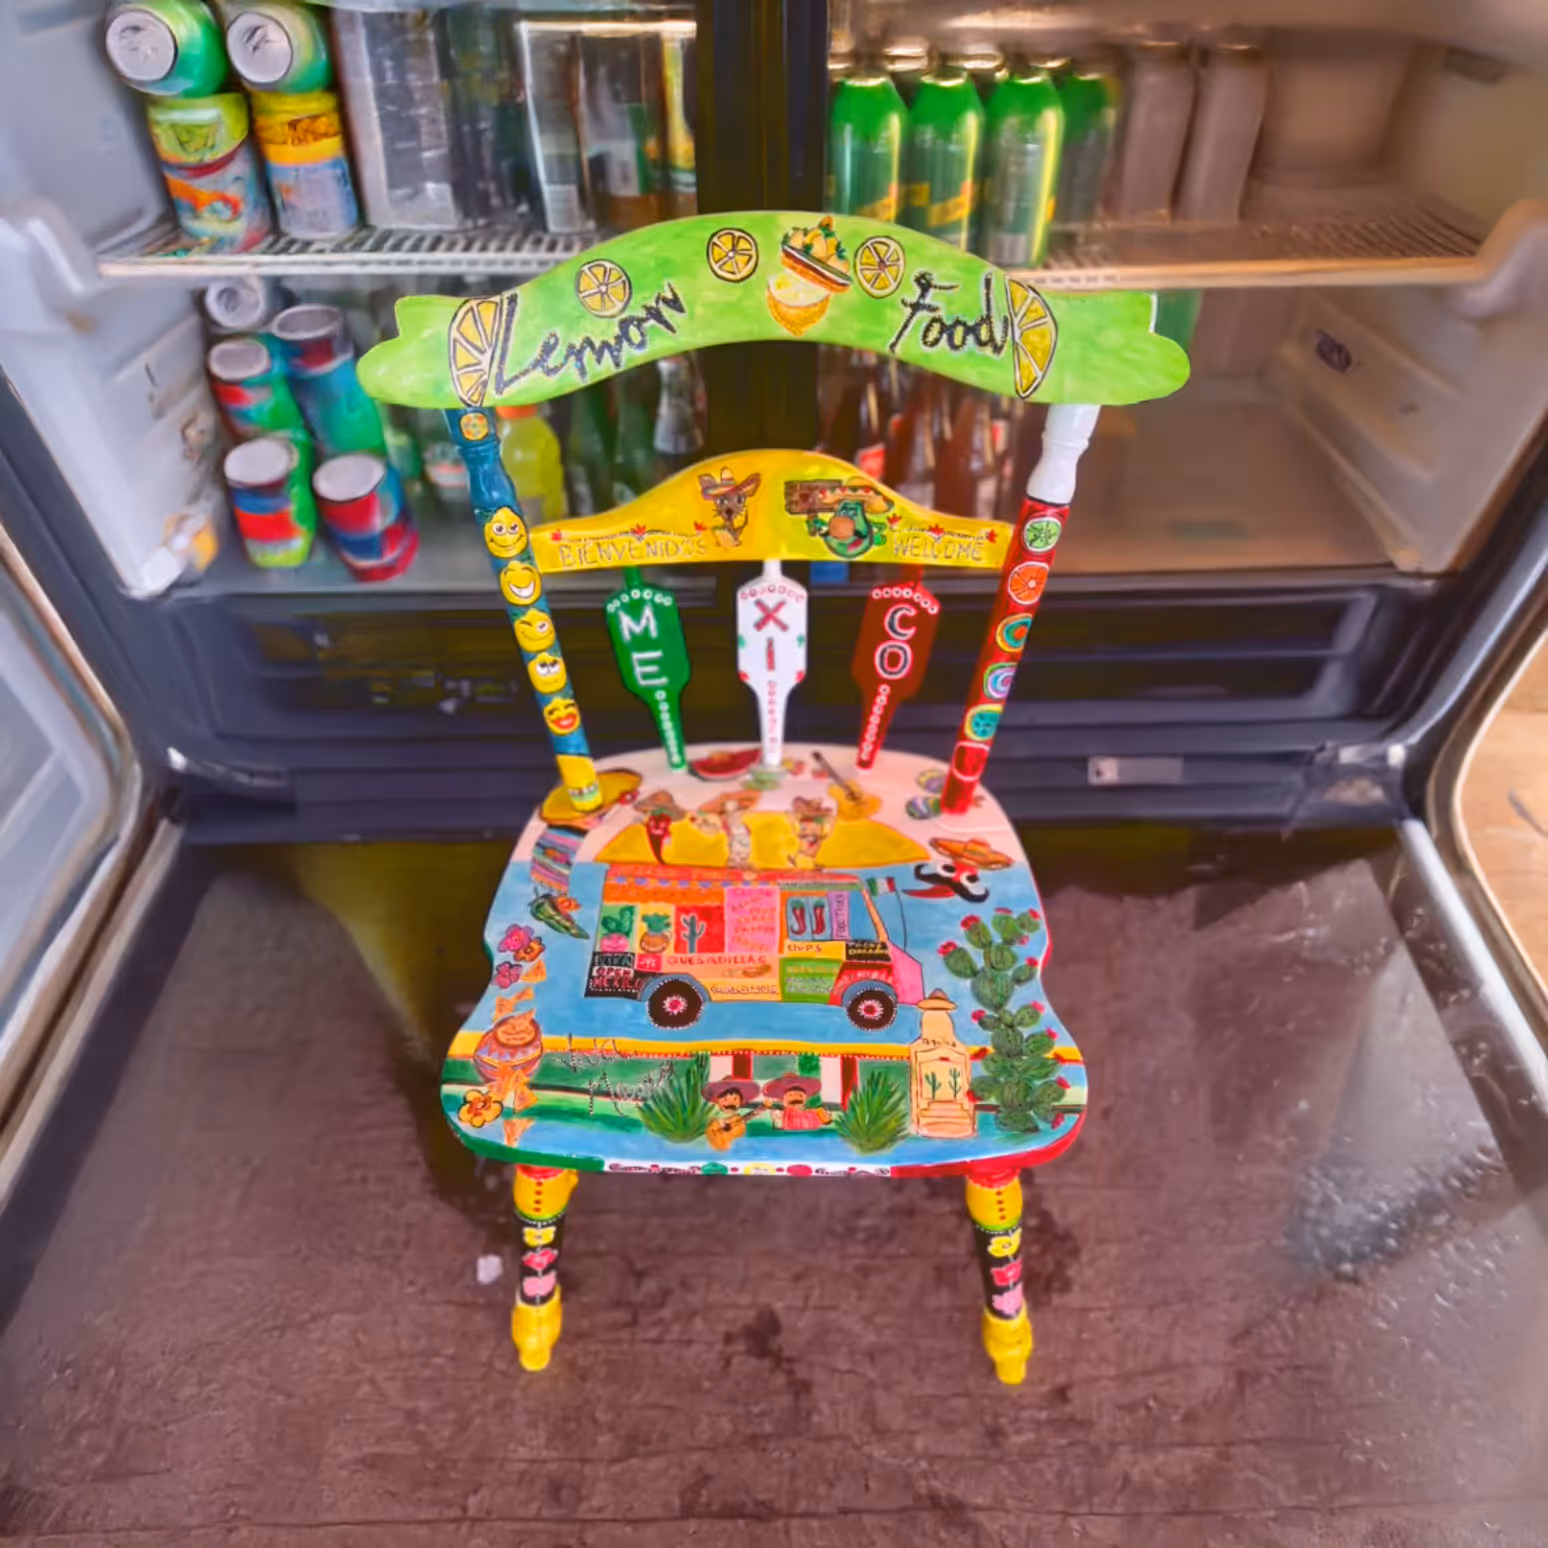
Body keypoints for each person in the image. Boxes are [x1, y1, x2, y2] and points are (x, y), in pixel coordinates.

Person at [702, 1078, 762, 1151]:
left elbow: (741, 1121)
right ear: (717, 1101)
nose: (730, 1103)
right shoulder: (713, 1115)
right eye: (725, 1099)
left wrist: (754, 1113)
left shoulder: (736, 1117)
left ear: (741, 1101)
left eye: (735, 1099)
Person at [762, 1073, 832, 1131]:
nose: (795, 1098)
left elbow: (826, 1120)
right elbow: (778, 1127)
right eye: (790, 1095)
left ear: (806, 1098)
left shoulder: (814, 1114)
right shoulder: (782, 1114)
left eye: (800, 1095)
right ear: (782, 1100)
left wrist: (825, 1117)